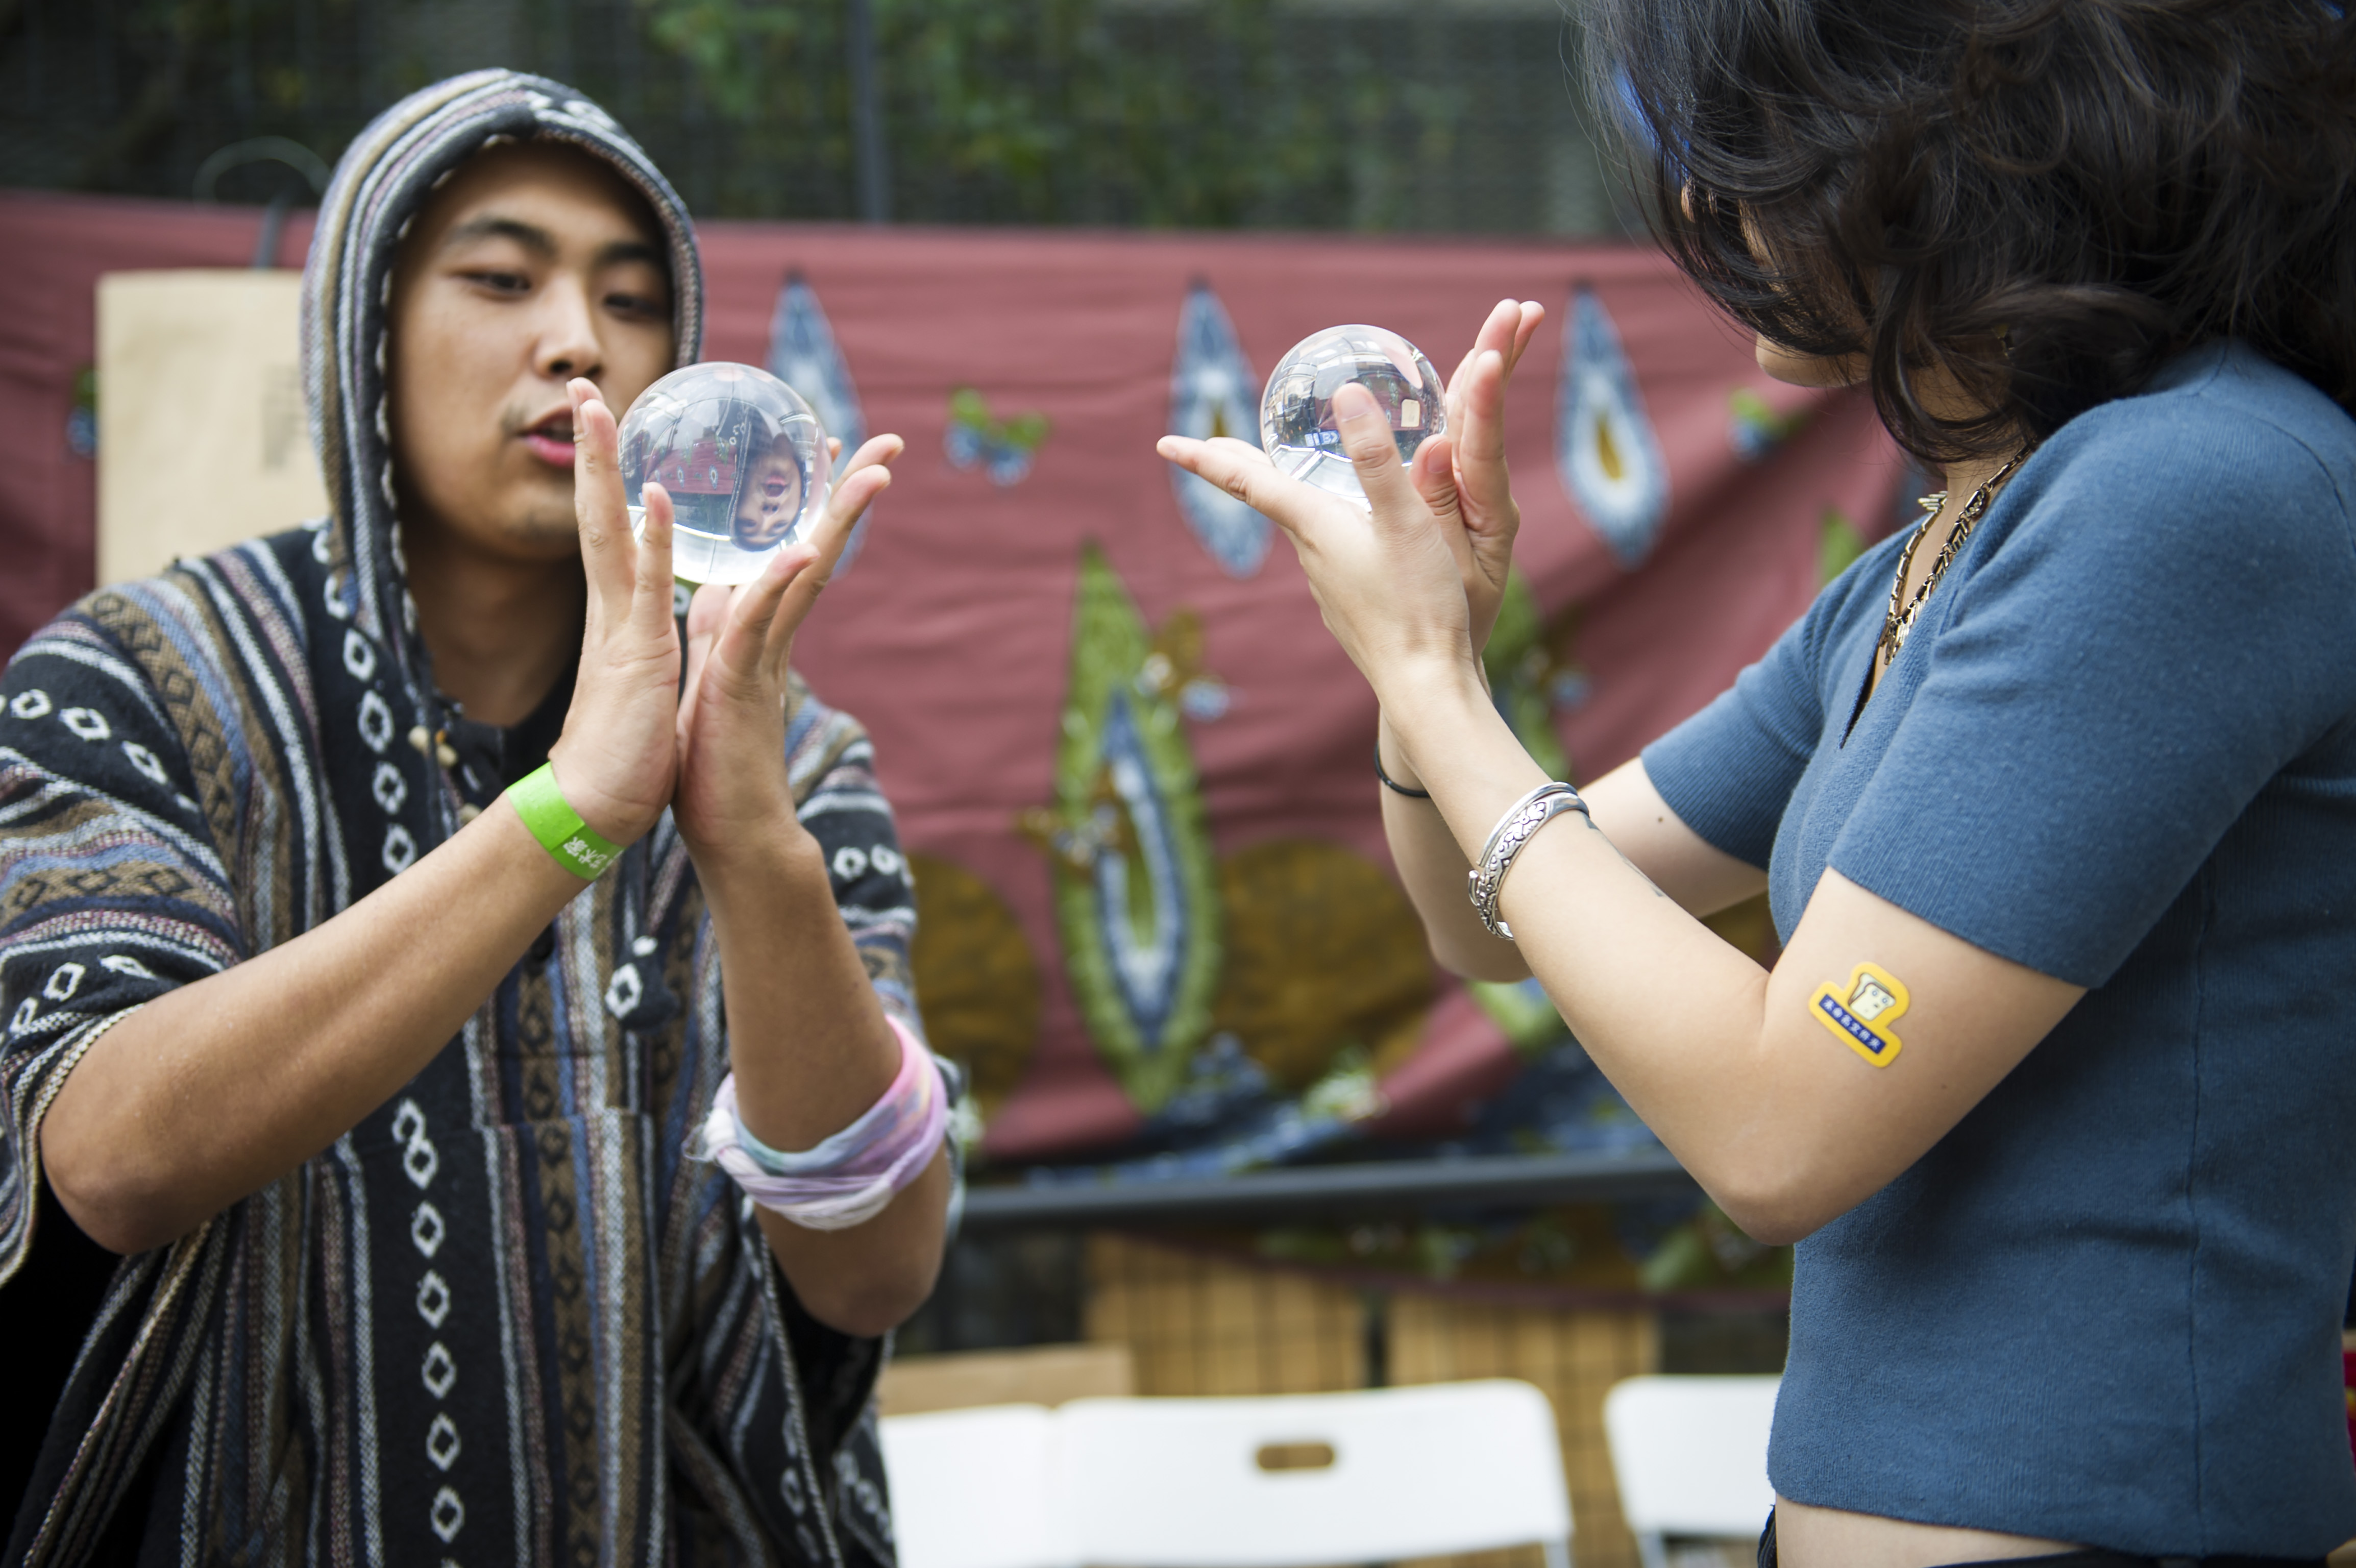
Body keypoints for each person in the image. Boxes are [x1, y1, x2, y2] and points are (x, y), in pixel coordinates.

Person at [1161, 2, 2356, 1563]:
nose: (1700, 209)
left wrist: (1439, 685)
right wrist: (1423, 671)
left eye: (1746, 155)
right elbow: (1487, 920)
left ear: (1943, 146)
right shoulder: (1932, 560)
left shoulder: (2188, 491)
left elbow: (1781, 1131)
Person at [0, 70, 951, 1566]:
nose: (579, 340)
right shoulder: (139, 684)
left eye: (633, 301)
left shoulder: (787, 752)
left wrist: (756, 851)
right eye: (502, 280)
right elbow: (111, 1162)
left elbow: (877, 1274)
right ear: (360, 330)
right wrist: (565, 818)